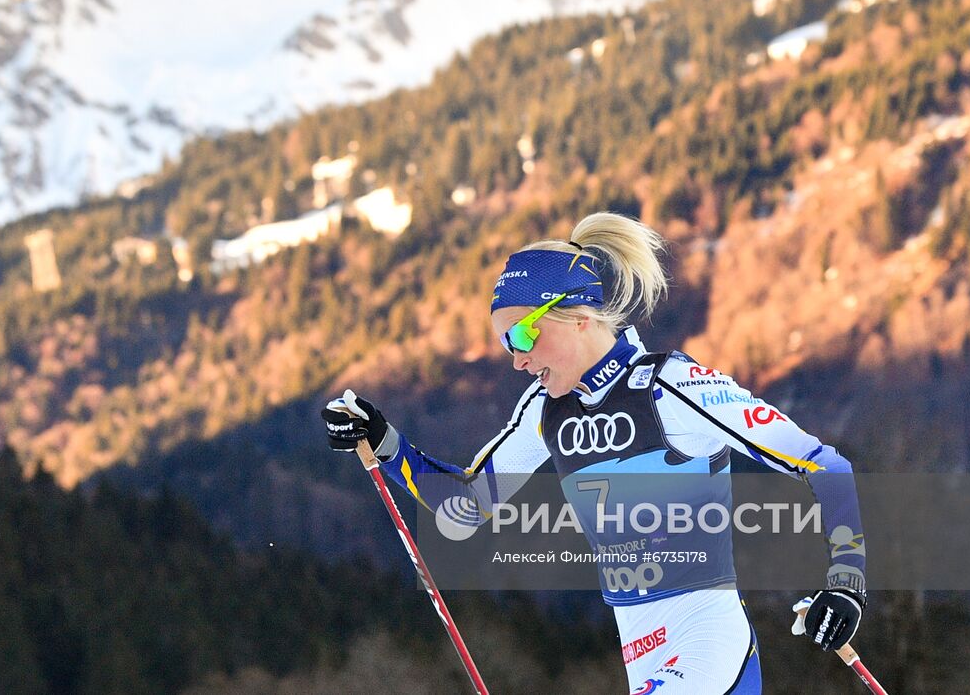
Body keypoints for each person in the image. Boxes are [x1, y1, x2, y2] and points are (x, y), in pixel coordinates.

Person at [323, 212, 866, 693]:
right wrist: (386, 442)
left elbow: (824, 464)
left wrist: (846, 586)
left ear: (578, 318)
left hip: (709, 646)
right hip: (641, 653)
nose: (515, 361)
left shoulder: (671, 387)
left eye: (521, 338)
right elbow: (463, 508)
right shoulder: (544, 410)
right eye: (505, 344)